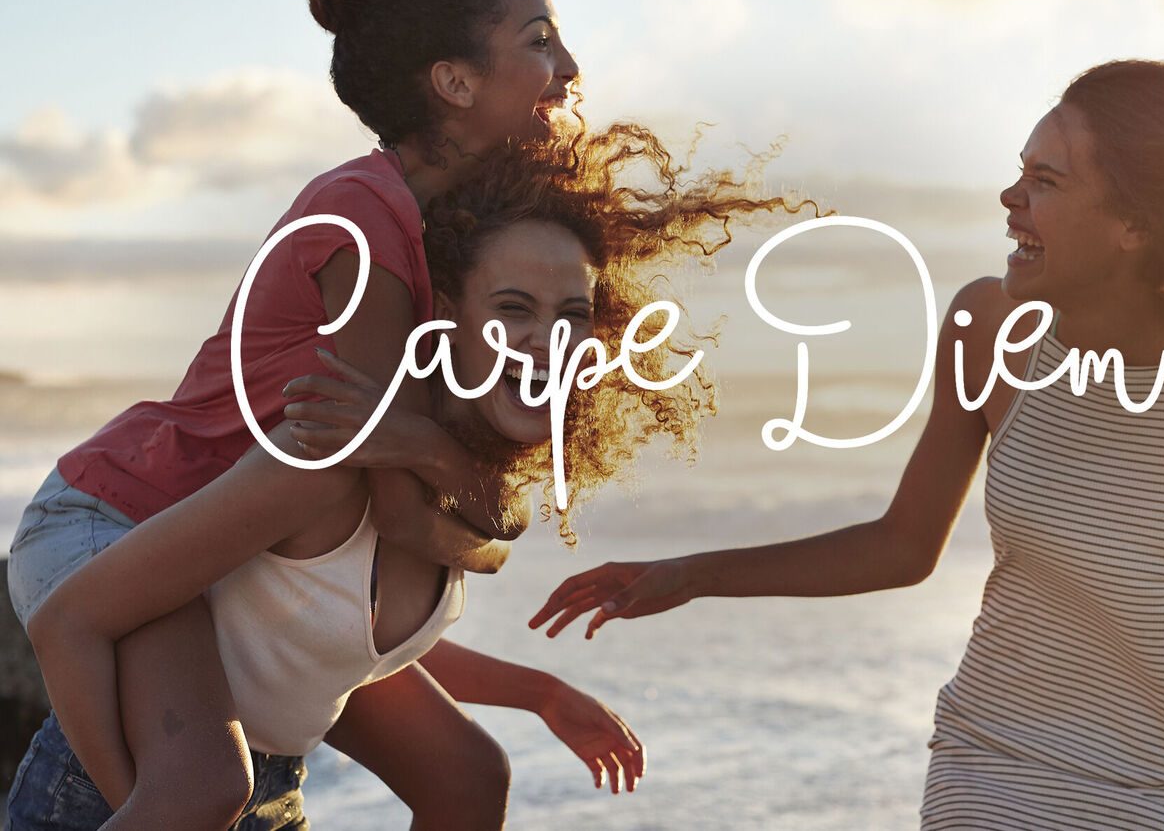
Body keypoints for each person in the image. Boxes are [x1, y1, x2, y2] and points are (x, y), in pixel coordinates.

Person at [531, 60, 1164, 830]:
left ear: (1134, 225)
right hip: (991, 765)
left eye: (1045, 181)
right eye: (1019, 171)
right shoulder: (988, 329)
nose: (1010, 198)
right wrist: (691, 575)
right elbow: (905, 544)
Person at [12, 127, 801, 831]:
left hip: (266, 792)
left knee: (473, 773)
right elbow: (72, 619)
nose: (549, 342)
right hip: (124, 798)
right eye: (513, 308)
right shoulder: (327, 458)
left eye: (572, 315)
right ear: (447, 315)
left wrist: (542, 693)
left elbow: (328, 644)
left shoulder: (455, 487)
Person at [6, 0, 585, 830]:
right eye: (541, 41)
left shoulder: (437, 227)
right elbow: (402, 510)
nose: (570, 68)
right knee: (203, 787)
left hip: (226, 533)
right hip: (122, 515)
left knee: (468, 774)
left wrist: (460, 487)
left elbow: (434, 514)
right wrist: (454, 483)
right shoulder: (363, 223)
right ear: (454, 82)